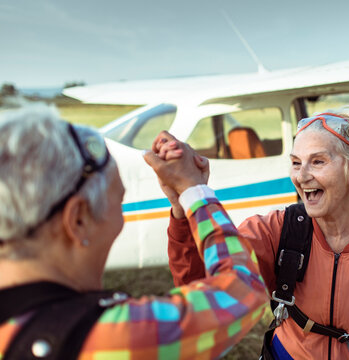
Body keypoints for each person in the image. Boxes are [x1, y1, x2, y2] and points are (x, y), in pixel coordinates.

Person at [155, 105, 349, 359]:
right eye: (296, 162)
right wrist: (183, 206)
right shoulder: (274, 231)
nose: (302, 177)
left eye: (318, 161)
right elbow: (202, 284)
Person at [0, 105, 267, 359]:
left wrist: (181, 208)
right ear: (78, 219)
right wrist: (194, 192)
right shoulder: (109, 337)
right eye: (119, 201)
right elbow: (243, 288)